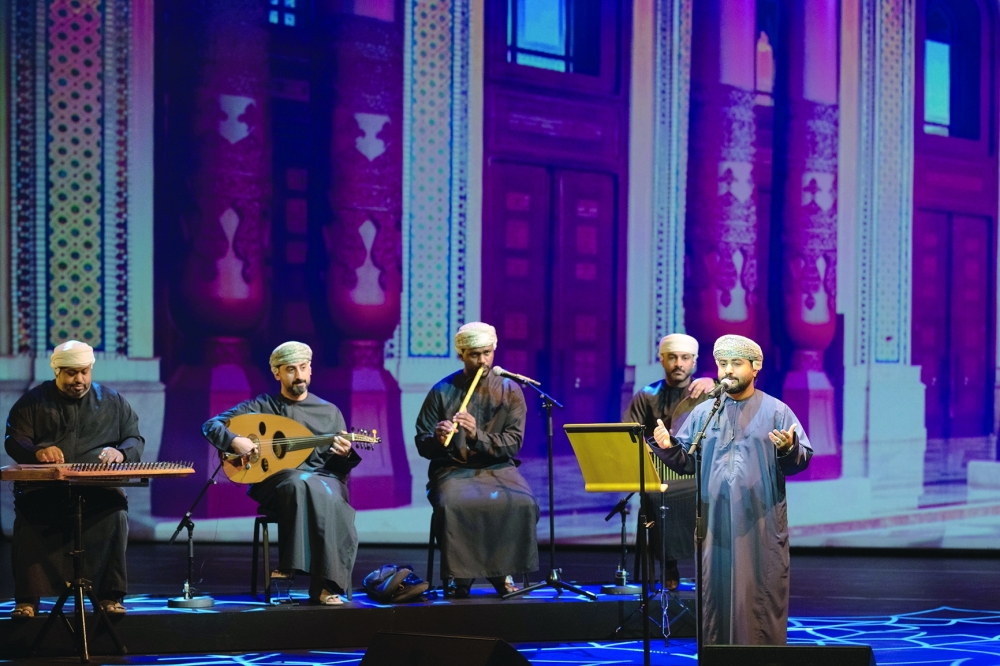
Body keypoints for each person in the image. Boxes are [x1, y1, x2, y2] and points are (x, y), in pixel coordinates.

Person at [651, 334, 812, 645]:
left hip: (759, 523)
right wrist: (668, 447)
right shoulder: (703, 412)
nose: (728, 371)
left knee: (758, 597)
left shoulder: (777, 411)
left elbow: (799, 462)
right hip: (714, 525)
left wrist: (789, 448)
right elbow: (686, 462)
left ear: (755, 367)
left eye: (736, 364)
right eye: (723, 364)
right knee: (716, 595)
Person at [203, 341, 360, 606]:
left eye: (303, 368)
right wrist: (233, 440)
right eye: (290, 369)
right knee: (299, 482)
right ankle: (300, 570)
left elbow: (337, 471)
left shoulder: (330, 412)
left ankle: (325, 585)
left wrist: (345, 456)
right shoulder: (262, 406)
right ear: (277, 373)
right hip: (275, 484)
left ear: (310, 370)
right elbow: (211, 425)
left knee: (327, 493)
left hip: (322, 481)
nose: (298, 375)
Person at [4, 340, 145, 620]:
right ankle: (28, 600)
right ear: (57, 371)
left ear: (91, 369)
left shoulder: (113, 401)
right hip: (46, 490)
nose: (78, 380)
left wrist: (120, 452)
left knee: (115, 514)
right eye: (70, 373)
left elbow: (134, 438)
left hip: (97, 490)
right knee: (29, 518)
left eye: (83, 372)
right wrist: (37, 451)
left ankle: (109, 597)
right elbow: (14, 439)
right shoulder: (34, 401)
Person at [414, 322, 539, 597]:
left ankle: (501, 571)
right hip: (452, 469)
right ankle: (461, 576)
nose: (482, 361)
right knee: (452, 504)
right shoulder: (441, 390)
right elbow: (421, 441)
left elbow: (512, 444)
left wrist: (476, 436)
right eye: (474, 354)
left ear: (494, 350)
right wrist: (437, 438)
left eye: (486, 353)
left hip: (498, 467)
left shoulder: (511, 390)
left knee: (522, 501)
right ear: (461, 354)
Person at [624, 333, 715, 588]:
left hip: (696, 470)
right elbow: (629, 433)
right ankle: (668, 564)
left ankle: (711, 569)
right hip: (659, 471)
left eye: (685, 358)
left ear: (694, 362)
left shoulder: (707, 392)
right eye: (672, 357)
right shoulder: (647, 395)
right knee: (656, 496)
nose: (679, 364)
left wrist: (715, 382)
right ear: (662, 359)